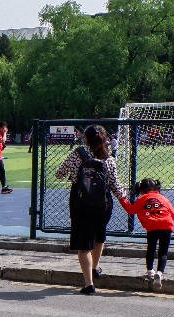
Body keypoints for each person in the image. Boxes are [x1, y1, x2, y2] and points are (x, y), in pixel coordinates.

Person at [54, 125, 126, 295]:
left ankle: (89, 284)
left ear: (85, 138)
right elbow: (115, 184)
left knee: (84, 244)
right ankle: (95, 267)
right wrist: (124, 199)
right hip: (103, 203)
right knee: (99, 235)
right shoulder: (108, 159)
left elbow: (59, 173)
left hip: (81, 202)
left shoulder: (77, 154)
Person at [119, 178, 174, 290]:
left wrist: (122, 199)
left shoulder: (142, 198)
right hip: (166, 225)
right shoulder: (163, 198)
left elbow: (131, 210)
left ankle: (150, 271)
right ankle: (159, 272)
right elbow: (172, 212)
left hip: (152, 226)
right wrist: (169, 224)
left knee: (151, 249)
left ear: (141, 190)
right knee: (163, 252)